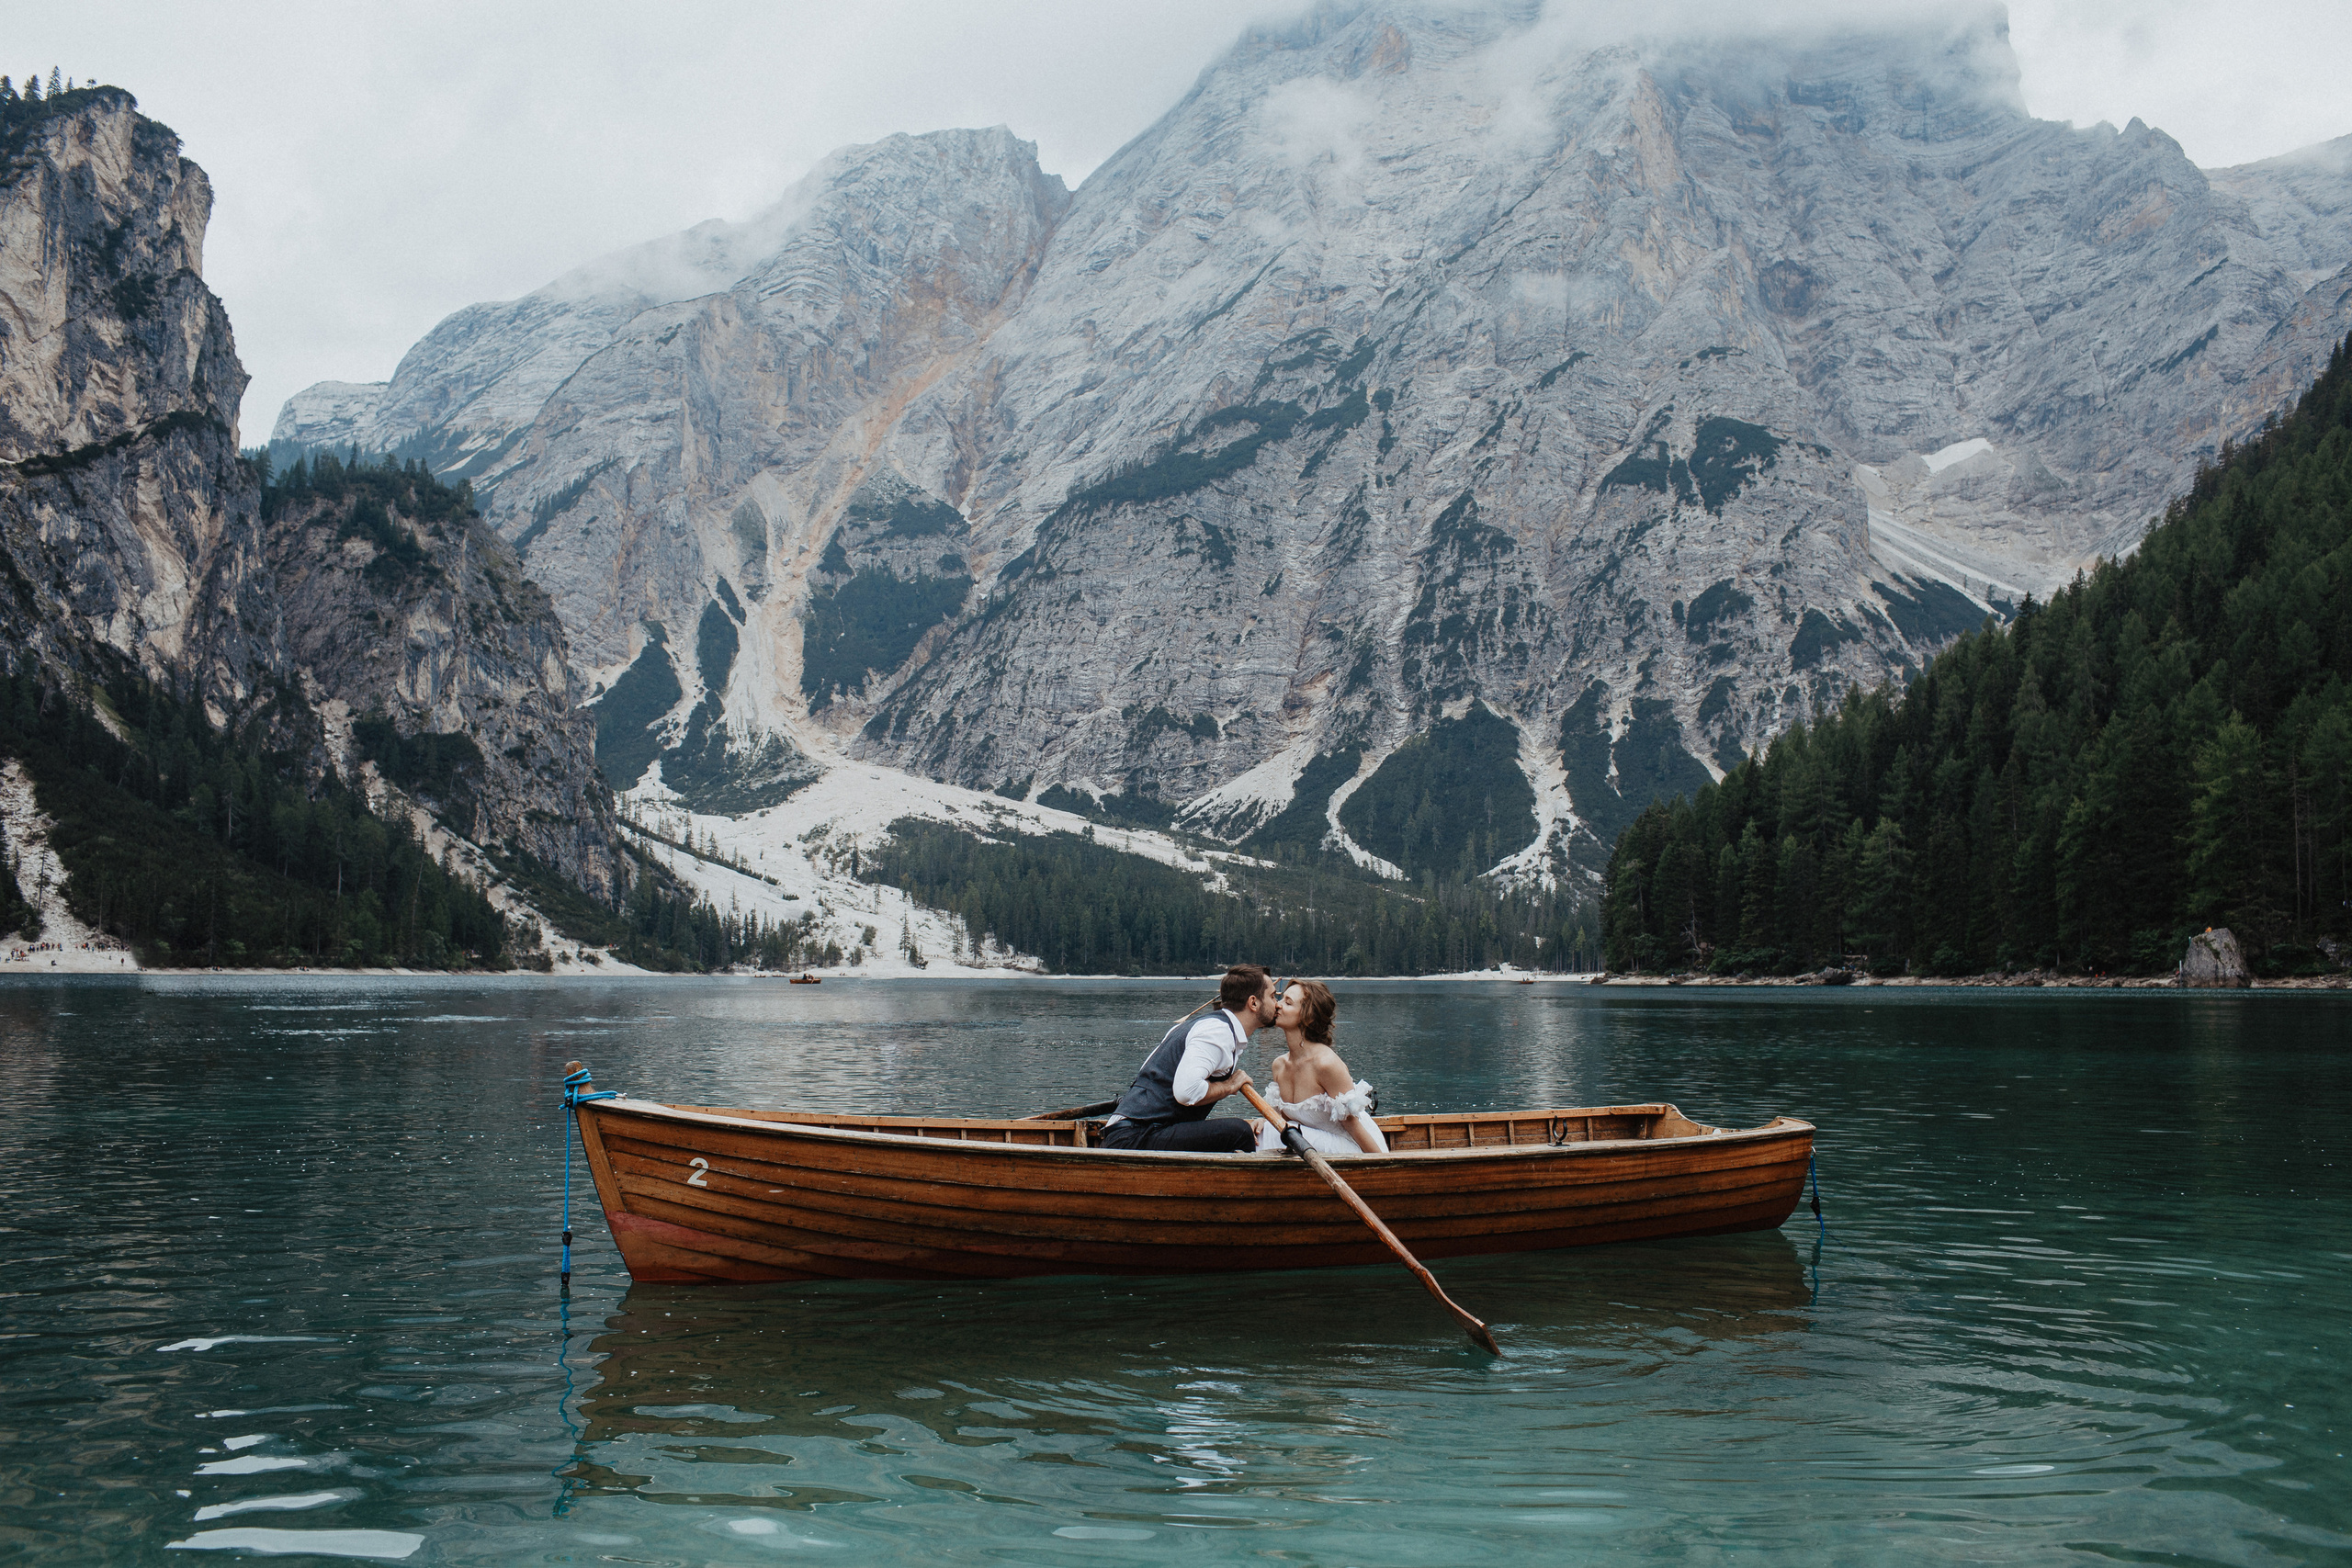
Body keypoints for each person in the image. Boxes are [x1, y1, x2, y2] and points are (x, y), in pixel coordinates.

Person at [1099, 964, 1277, 1153]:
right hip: (1133, 1137)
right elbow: (1186, 1092)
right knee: (1239, 1132)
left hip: (1136, 1131)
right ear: (1253, 1003)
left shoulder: (1210, 1026)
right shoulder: (1219, 1032)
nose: (1278, 1004)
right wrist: (1229, 1086)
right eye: (1273, 996)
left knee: (1234, 1132)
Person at [1250, 979, 1388, 1155]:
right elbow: (1285, 1118)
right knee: (1263, 1132)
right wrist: (1264, 1121)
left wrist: (1382, 1162)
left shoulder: (1326, 1064)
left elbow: (1352, 1125)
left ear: (1308, 1017)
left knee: (1273, 1134)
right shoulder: (1279, 1065)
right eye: (1281, 999)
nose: (1278, 1005)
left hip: (1352, 1147)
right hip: (1310, 1146)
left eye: (1288, 1002)